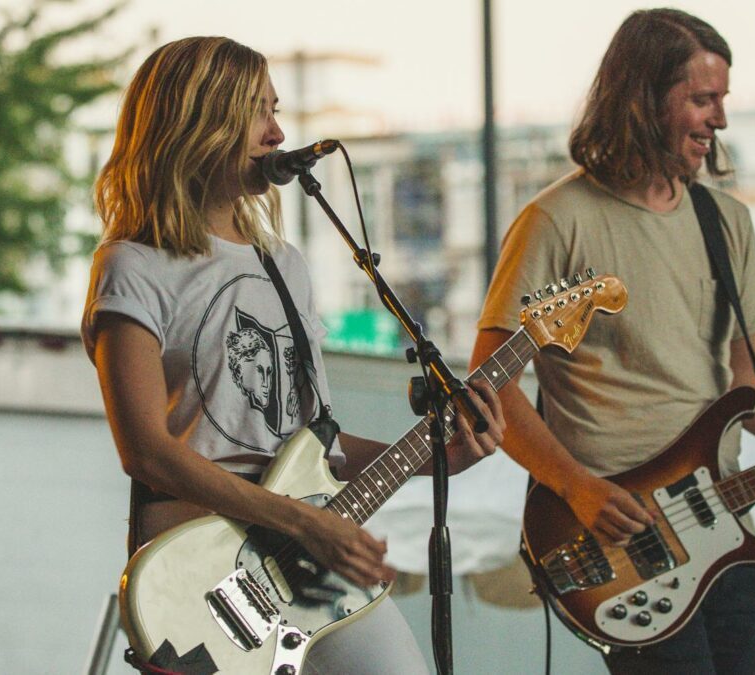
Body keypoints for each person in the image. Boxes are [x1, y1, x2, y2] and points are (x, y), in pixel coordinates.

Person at [470, 8, 755, 674]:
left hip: (721, 529)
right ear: (644, 99)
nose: (721, 120)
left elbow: (752, 391)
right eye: (703, 100)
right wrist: (578, 486)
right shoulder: (555, 221)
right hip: (617, 540)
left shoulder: (724, 220)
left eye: (723, 101)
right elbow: (489, 383)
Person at [82, 36, 505, 674]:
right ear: (198, 122)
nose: (278, 133)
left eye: (276, 110)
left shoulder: (283, 263)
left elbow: (313, 446)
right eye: (256, 112)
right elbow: (144, 451)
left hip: (309, 558)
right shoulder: (134, 265)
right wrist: (305, 524)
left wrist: (435, 459)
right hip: (203, 570)